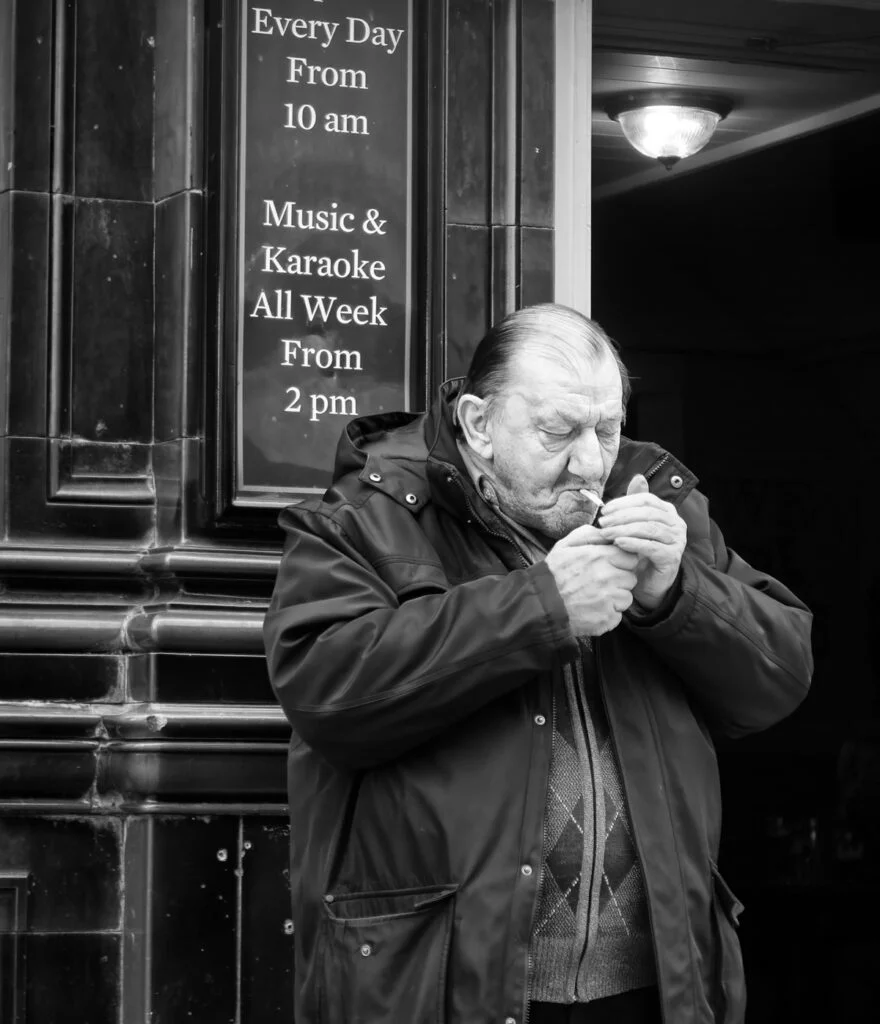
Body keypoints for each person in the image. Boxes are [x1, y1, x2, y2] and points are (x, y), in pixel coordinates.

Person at [263, 303, 813, 1024]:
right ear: (479, 425)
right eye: (559, 431)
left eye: (608, 429)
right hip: (447, 986)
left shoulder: (655, 504)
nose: (591, 460)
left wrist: (676, 592)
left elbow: (780, 677)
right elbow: (326, 692)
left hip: (656, 987)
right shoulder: (361, 520)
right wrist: (542, 607)